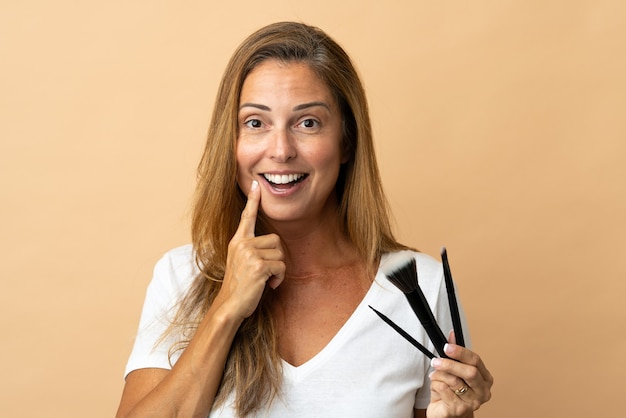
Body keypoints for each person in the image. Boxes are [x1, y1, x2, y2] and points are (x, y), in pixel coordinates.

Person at [116, 21, 493, 418]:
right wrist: (226, 308)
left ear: (346, 141)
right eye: (256, 123)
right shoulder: (181, 276)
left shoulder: (421, 287)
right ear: (233, 142)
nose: (280, 150)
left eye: (307, 123)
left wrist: (455, 416)